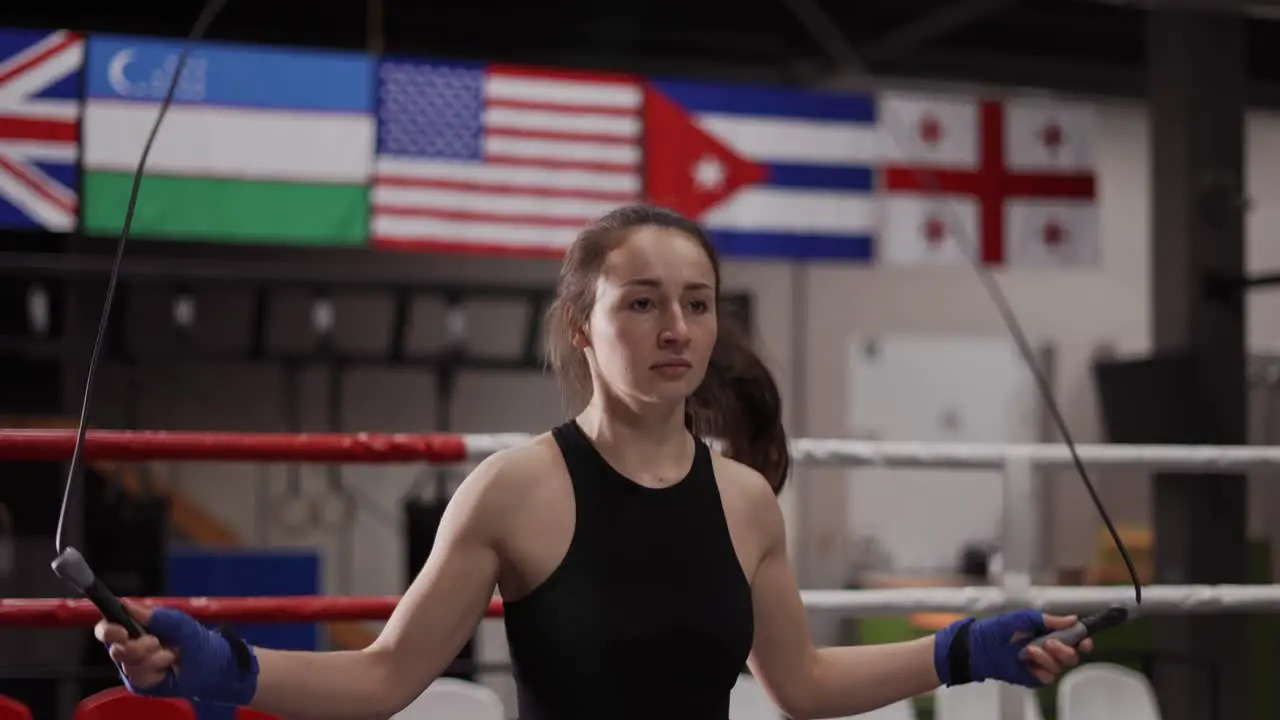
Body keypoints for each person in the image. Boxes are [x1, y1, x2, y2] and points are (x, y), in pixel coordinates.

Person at [97, 204, 1091, 719]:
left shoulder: (744, 501)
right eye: (641, 301)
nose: (676, 327)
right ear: (581, 326)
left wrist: (962, 652)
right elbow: (385, 680)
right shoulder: (516, 488)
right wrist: (221, 668)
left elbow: (800, 686)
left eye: (696, 303)